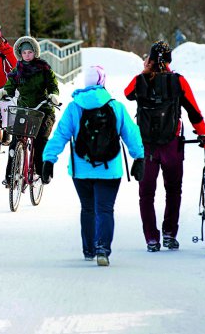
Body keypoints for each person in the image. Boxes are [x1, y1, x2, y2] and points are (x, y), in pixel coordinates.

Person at [41, 65, 144, 267]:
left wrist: (48, 159)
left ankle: (89, 250)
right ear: (102, 82)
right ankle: (102, 249)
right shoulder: (116, 107)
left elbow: (60, 134)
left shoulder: (74, 107)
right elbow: (131, 134)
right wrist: (139, 157)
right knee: (105, 209)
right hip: (110, 169)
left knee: (88, 208)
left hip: (81, 170)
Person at [124, 40, 205, 252]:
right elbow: (193, 111)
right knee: (173, 190)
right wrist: (203, 134)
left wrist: (144, 71)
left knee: (146, 193)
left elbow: (127, 94)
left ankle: (151, 239)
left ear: (150, 60)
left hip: (147, 146)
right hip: (172, 144)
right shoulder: (178, 81)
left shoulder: (139, 80)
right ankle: (170, 234)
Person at [0, 36, 59, 186]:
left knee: (40, 140)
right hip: (24, 109)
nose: (27, 55)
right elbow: (10, 86)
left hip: (42, 110)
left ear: (35, 52)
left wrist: (53, 95)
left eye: (30, 52)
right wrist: (4, 92)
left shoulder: (44, 68)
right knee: (15, 140)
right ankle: (10, 177)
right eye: (24, 53)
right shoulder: (17, 70)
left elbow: (53, 86)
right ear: (20, 54)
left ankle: (41, 172)